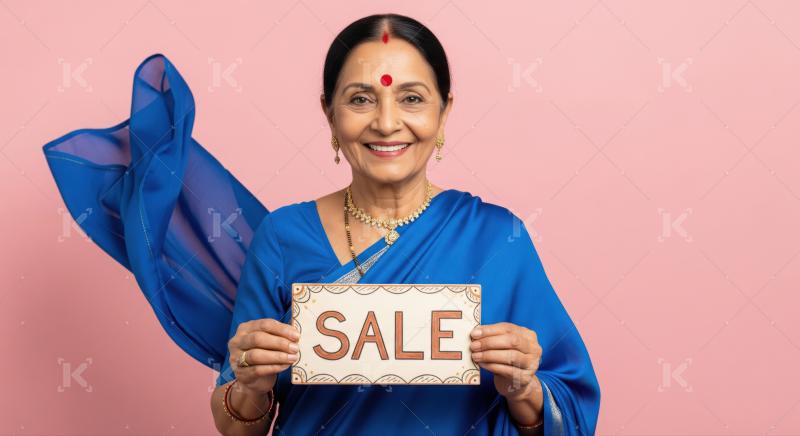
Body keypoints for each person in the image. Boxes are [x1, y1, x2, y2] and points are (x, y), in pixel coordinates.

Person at [43, 13, 600, 436]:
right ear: (329, 115)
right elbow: (236, 421)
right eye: (360, 99)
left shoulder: (496, 238)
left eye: (411, 98)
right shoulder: (284, 237)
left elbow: (568, 410)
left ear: (442, 114)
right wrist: (250, 385)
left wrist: (524, 386)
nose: (387, 122)